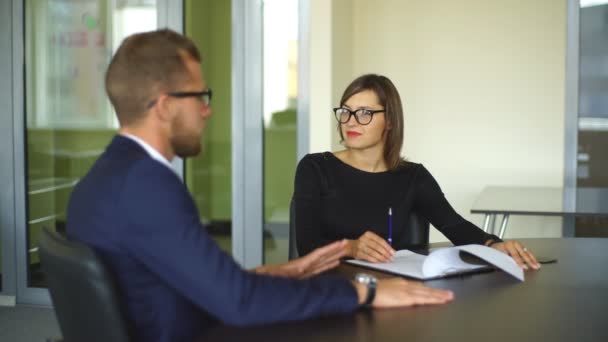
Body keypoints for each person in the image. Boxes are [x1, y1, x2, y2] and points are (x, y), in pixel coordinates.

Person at [65, 30, 453, 342]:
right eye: (200, 96)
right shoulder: (148, 186)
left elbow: (190, 280)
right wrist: (365, 293)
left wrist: (277, 273)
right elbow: (238, 304)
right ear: (165, 106)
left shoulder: (106, 178)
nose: (207, 109)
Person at [293, 74, 541, 270]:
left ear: (390, 121)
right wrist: (351, 247)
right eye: (346, 111)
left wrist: (494, 244)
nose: (351, 121)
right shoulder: (315, 168)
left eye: (365, 113)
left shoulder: (412, 177)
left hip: (390, 287)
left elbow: (454, 224)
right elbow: (306, 245)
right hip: (327, 286)